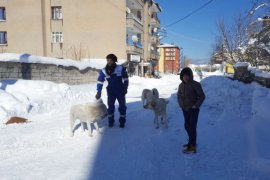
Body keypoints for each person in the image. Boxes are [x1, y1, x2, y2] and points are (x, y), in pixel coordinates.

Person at [95, 54, 129, 128]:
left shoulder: (120, 68)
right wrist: (99, 91)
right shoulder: (104, 70)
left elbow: (126, 78)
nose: (109, 62)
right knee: (110, 107)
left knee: (122, 107)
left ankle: (122, 121)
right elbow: (100, 81)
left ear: (114, 61)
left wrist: (125, 87)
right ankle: (111, 122)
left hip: (120, 90)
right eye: (108, 60)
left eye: (110, 60)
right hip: (111, 92)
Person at [177, 67, 205, 153]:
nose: (185, 77)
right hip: (185, 109)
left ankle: (192, 146)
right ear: (181, 76)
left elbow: (202, 96)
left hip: (193, 110)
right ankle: (190, 142)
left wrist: (196, 105)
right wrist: (181, 104)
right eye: (184, 76)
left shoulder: (195, 84)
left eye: (187, 76)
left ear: (190, 76)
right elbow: (179, 95)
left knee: (192, 127)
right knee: (187, 126)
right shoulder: (181, 85)